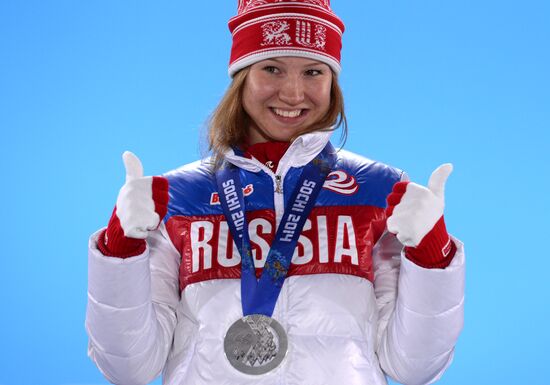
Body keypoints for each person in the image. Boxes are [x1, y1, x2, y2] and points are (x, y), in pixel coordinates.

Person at [86, 1, 465, 384]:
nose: (293, 93)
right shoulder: (178, 197)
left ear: (332, 81)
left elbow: (414, 367)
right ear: (241, 77)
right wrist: (121, 248)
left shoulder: (379, 190)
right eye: (272, 68)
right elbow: (129, 368)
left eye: (313, 72)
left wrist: (432, 253)